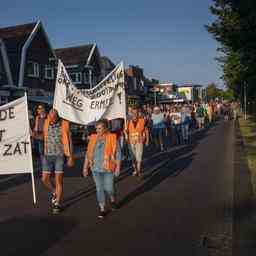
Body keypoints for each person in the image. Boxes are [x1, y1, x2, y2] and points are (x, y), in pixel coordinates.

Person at [83, 119, 121, 219]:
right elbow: (88, 153)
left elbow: (118, 154)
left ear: (105, 128)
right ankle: (102, 208)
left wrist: (118, 168)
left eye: (100, 128)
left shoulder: (113, 138)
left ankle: (112, 200)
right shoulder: (93, 138)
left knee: (109, 188)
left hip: (108, 168)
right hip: (95, 168)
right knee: (99, 188)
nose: (97, 130)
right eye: (96, 128)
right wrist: (85, 167)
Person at [41, 109, 74, 214]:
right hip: (47, 155)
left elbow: (69, 140)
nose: (50, 119)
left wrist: (70, 157)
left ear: (56, 117)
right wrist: (33, 135)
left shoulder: (65, 124)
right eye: (49, 117)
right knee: (44, 179)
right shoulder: (46, 122)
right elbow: (43, 137)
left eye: (52, 118)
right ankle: (54, 192)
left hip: (59, 155)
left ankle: (57, 204)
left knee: (58, 180)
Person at [126, 108, 149, 178]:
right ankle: (135, 170)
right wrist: (125, 135)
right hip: (131, 142)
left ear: (138, 114)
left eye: (136, 113)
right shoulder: (128, 122)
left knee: (138, 158)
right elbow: (126, 132)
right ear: (131, 114)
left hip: (139, 142)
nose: (134, 114)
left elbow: (146, 131)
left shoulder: (142, 121)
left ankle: (139, 172)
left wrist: (147, 140)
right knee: (133, 158)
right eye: (133, 113)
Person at [33, 105, 47, 173]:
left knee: (46, 154)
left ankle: (46, 169)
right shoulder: (37, 117)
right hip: (39, 137)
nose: (38, 110)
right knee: (41, 153)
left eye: (40, 108)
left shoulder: (47, 117)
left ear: (44, 109)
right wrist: (34, 133)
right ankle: (43, 169)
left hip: (47, 138)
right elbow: (36, 127)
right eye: (38, 109)